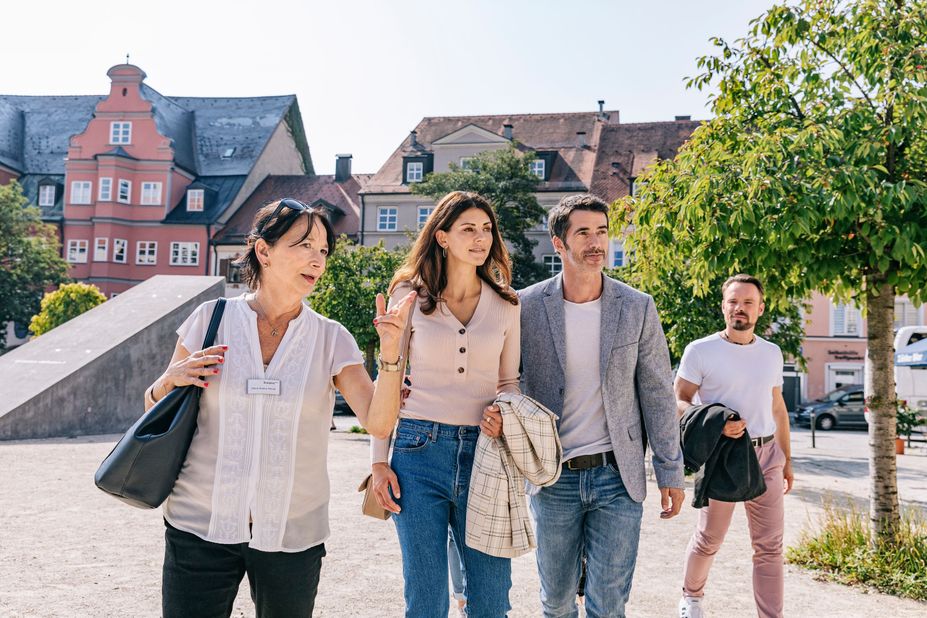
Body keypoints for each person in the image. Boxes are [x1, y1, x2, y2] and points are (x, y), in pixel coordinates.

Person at [145, 198, 412, 618]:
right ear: (263, 251)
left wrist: (392, 352)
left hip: (293, 531)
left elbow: (378, 423)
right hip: (199, 522)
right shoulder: (210, 319)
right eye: (304, 245)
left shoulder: (332, 338)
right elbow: (153, 407)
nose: (317, 260)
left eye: (323, 250)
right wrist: (168, 380)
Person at [518, 193, 685, 618]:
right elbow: (504, 380)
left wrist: (670, 469)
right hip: (553, 477)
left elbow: (657, 392)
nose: (596, 243)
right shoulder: (525, 307)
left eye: (602, 232)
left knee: (609, 605)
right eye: (583, 233)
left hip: (617, 477)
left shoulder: (637, 306)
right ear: (559, 243)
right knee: (556, 602)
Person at [370, 190, 520, 618]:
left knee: (491, 601)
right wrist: (378, 460)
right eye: (468, 229)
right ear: (442, 237)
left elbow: (508, 381)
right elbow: (390, 374)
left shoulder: (507, 302)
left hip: (486, 455)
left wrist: (504, 410)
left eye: (486, 229)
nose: (480, 238)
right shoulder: (408, 295)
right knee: (426, 599)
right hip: (417, 452)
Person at [675, 274, 793, 618]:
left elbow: (777, 407)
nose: (740, 308)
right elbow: (679, 401)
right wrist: (716, 423)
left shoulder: (771, 353)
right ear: (723, 306)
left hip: (767, 455)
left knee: (769, 547)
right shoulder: (700, 350)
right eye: (733, 302)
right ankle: (691, 598)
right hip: (723, 455)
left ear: (760, 308)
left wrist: (787, 459)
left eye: (747, 302)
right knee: (710, 538)